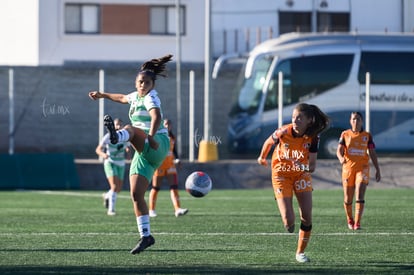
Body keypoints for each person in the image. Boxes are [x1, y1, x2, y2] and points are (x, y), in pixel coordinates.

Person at [88, 54, 173, 254]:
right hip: (142, 152)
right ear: (136, 83)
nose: (143, 85)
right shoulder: (135, 96)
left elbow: (156, 116)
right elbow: (121, 98)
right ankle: (146, 236)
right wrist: (102, 95)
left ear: (153, 85)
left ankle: (117, 136)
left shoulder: (151, 97)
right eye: (140, 82)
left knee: (131, 129)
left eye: (147, 82)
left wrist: (151, 136)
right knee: (135, 194)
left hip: (156, 144)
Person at [257, 103, 329, 263]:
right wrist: (262, 157)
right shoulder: (283, 132)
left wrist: (301, 166)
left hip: (301, 175)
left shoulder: (313, 137)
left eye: (299, 118)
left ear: (309, 120)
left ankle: (300, 253)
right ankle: (288, 221)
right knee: (289, 223)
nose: (295, 121)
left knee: (307, 217)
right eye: (293, 118)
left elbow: (312, 167)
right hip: (281, 174)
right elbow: (269, 142)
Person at [336, 111, 381, 230]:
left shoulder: (367, 136)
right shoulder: (345, 134)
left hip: (363, 168)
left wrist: (377, 169)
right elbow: (339, 150)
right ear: (350, 121)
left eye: (358, 119)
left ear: (362, 121)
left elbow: (372, 152)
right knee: (347, 198)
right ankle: (349, 219)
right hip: (348, 169)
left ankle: (357, 223)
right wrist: (341, 158)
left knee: (360, 192)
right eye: (354, 119)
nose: (356, 122)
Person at [149, 119, 188, 218]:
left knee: (174, 187)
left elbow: (173, 150)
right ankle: (151, 209)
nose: (167, 126)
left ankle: (177, 209)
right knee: (155, 188)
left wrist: (177, 159)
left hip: (170, 164)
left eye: (169, 125)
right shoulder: (158, 136)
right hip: (159, 164)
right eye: (165, 124)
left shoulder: (172, 137)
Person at [95, 118, 130, 216]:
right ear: (112, 126)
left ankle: (107, 195)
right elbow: (98, 149)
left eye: (120, 125)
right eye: (116, 125)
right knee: (114, 187)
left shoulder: (124, 136)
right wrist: (103, 155)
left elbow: (127, 147)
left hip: (121, 163)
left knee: (118, 189)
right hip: (110, 162)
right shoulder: (108, 136)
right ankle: (111, 209)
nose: (118, 127)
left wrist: (128, 151)